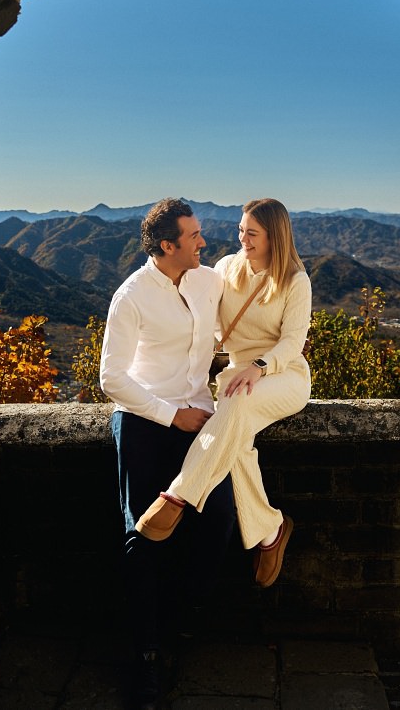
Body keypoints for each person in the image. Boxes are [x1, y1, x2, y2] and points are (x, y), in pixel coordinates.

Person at [99, 197, 236, 710]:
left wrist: (277, 353)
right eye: (194, 235)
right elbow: (111, 378)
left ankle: (183, 619)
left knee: (220, 514)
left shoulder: (207, 281)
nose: (203, 242)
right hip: (144, 420)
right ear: (167, 245)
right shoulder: (131, 296)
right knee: (144, 532)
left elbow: (245, 316)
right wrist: (169, 415)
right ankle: (145, 655)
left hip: (199, 417)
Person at [133, 197, 312, 590]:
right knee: (235, 438)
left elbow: (292, 343)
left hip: (283, 375)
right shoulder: (228, 268)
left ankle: (178, 495)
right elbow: (204, 314)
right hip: (237, 377)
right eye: (241, 230)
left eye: (252, 233)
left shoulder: (295, 281)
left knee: (235, 406)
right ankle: (271, 530)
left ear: (274, 237)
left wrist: (259, 366)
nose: (242, 239)